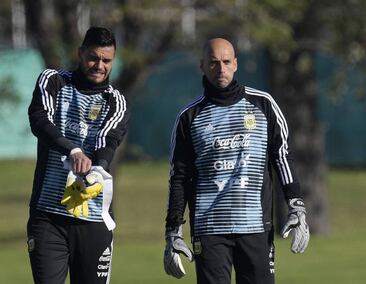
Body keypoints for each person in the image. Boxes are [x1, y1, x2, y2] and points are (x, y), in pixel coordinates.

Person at [163, 38, 310, 284]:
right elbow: (179, 177)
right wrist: (172, 230)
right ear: (202, 66)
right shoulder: (189, 117)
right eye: (213, 63)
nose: (221, 69)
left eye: (226, 62)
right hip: (209, 229)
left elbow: (282, 156)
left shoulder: (264, 104)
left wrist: (296, 205)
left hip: (255, 227)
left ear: (236, 64)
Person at [27, 27, 129, 284]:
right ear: (80, 53)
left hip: (93, 220)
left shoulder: (115, 101)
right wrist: (72, 150)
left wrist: (96, 168)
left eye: (107, 60)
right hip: (49, 216)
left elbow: (108, 142)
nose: (99, 65)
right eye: (93, 57)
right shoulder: (54, 81)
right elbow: (40, 121)